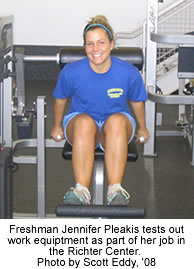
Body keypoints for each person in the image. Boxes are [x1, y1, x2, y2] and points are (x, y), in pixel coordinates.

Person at [51, 15, 149, 206]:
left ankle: (116, 190)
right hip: (80, 121)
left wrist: (143, 127)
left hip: (116, 124)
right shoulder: (71, 72)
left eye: (101, 43)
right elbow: (60, 99)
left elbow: (137, 102)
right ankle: (80, 190)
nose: (95, 49)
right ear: (85, 46)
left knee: (116, 121)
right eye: (90, 44)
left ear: (112, 44)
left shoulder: (128, 72)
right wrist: (56, 126)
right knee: (84, 122)